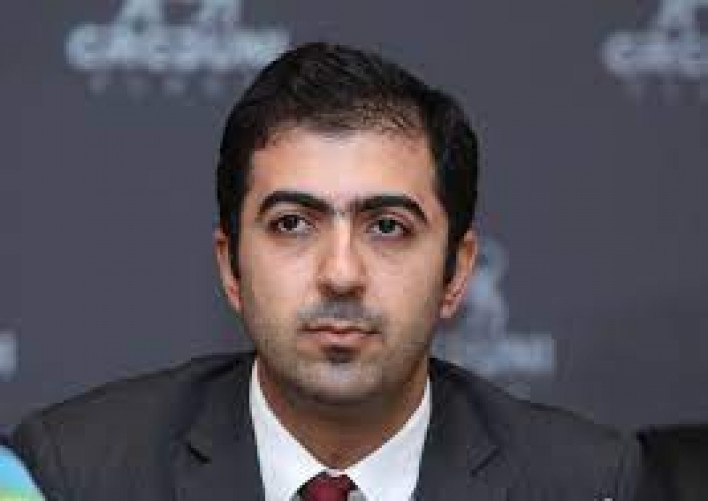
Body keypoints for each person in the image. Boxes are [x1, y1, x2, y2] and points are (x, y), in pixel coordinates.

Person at [11, 42, 655, 500]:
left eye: (387, 227)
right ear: (231, 267)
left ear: (457, 273)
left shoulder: (584, 482)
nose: (341, 273)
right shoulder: (77, 474)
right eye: (293, 223)